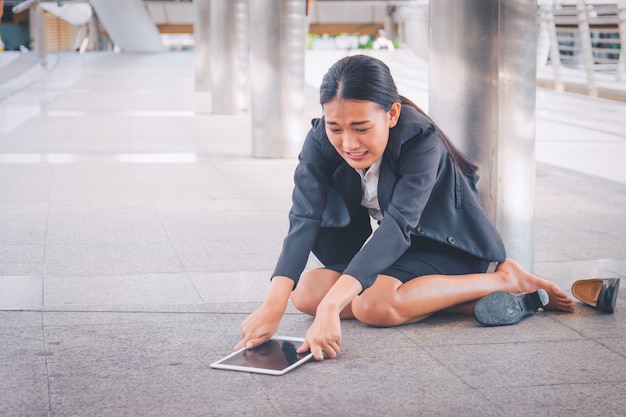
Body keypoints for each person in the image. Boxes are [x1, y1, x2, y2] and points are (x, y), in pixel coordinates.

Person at [235, 54, 574, 361]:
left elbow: (398, 224)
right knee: (306, 293)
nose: (348, 143)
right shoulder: (322, 138)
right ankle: (450, 302)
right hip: (395, 249)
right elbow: (303, 217)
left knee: (371, 306)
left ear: (392, 113)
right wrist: (272, 305)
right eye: (335, 127)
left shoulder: (420, 139)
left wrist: (334, 307)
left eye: (361, 128)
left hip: (448, 246)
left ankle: (504, 280)